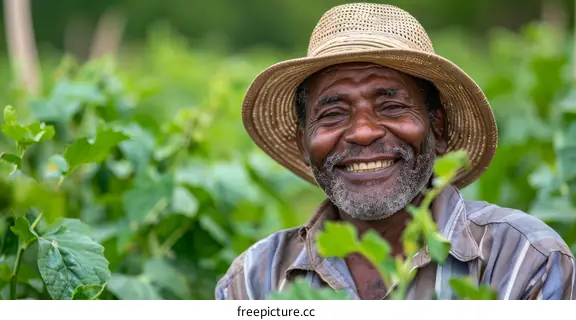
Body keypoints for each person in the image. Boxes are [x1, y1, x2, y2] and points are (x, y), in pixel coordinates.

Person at [215, 3, 576, 300]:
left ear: (438, 129)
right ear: (303, 145)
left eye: (391, 107)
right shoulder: (254, 284)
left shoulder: (522, 260)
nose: (363, 132)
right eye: (333, 113)